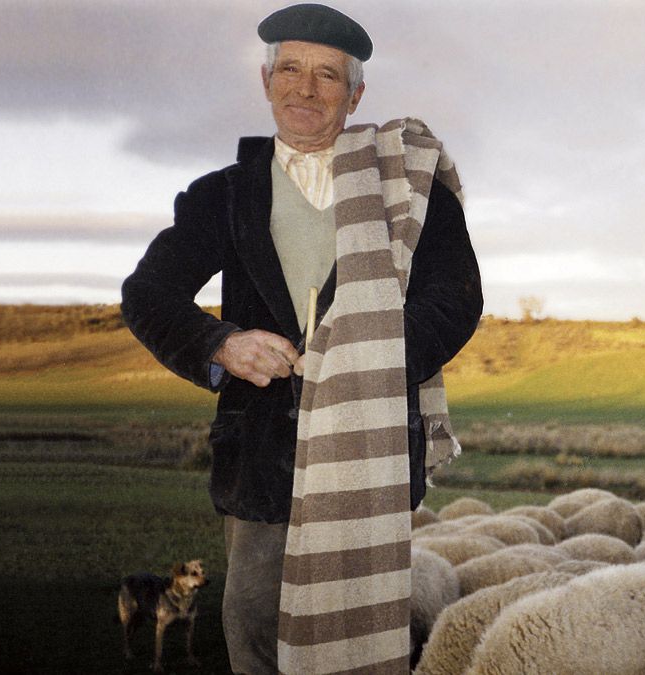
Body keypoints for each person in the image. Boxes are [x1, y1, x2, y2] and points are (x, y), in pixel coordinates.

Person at [120, 4, 481, 673]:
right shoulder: (223, 196)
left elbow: (456, 301)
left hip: (369, 455)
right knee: (257, 635)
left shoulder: (411, 188)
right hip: (261, 463)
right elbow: (148, 294)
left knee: (368, 644)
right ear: (266, 82)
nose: (305, 89)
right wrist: (220, 342)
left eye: (326, 75)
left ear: (356, 94)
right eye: (289, 69)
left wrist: (369, 359)